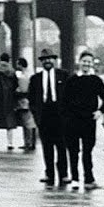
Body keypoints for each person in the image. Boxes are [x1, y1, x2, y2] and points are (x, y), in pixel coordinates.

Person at [61, 49, 104, 191]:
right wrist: (66, 118)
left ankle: (89, 179)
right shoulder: (71, 80)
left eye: (89, 62)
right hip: (72, 121)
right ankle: (75, 179)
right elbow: (63, 101)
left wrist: (100, 111)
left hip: (89, 121)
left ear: (92, 64)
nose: (86, 64)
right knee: (73, 151)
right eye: (84, 61)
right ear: (79, 62)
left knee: (87, 151)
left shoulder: (96, 80)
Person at [27, 47, 70, 188]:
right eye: (44, 59)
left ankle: (63, 174)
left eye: (50, 58)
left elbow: (71, 96)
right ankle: (49, 174)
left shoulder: (63, 76)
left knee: (62, 146)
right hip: (44, 117)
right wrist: (36, 115)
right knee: (47, 148)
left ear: (54, 60)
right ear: (41, 62)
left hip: (60, 117)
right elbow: (31, 99)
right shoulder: (35, 79)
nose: (47, 61)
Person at [14, 56, 36, 152]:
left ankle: (29, 142)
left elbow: (23, 89)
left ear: (20, 64)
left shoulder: (24, 76)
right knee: (27, 123)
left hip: (24, 102)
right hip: (26, 101)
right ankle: (28, 142)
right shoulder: (28, 74)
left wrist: (17, 91)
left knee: (27, 123)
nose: (16, 65)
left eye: (17, 63)